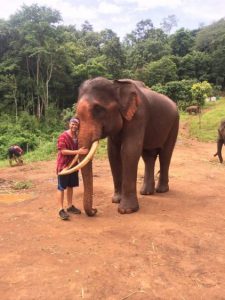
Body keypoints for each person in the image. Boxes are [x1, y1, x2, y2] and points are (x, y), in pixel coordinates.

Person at [56, 117, 88, 220]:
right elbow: (63, 151)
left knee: (70, 186)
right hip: (64, 166)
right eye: (72, 124)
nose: (74, 126)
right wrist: (78, 152)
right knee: (61, 187)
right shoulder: (63, 136)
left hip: (74, 166)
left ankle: (69, 206)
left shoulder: (77, 136)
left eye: (76, 125)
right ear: (69, 124)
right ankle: (60, 209)